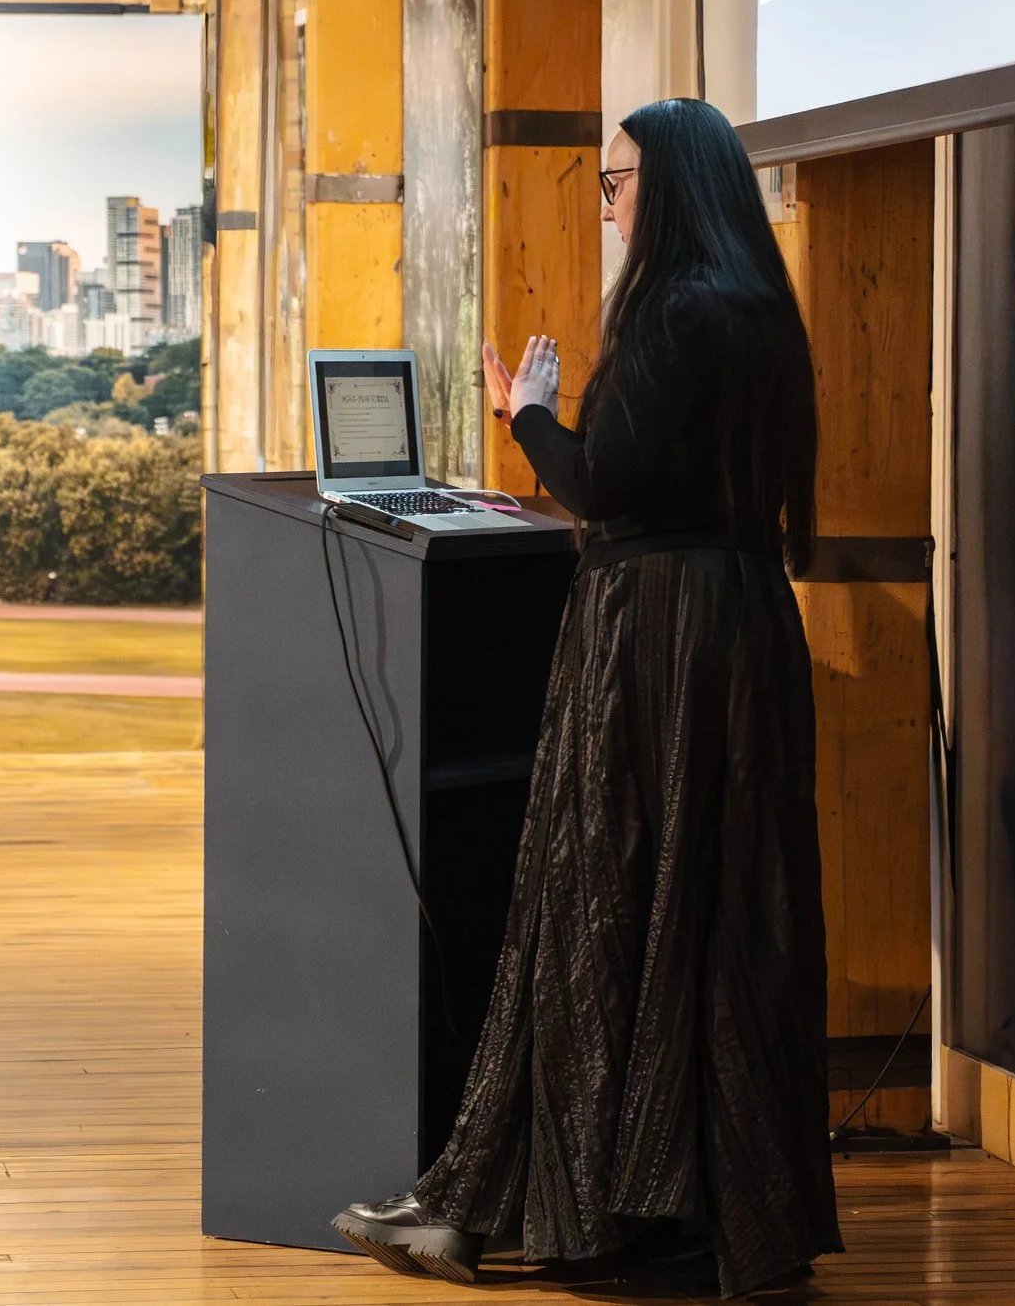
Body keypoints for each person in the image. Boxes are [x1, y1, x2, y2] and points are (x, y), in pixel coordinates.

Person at [331, 98, 840, 1297]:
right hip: (744, 632)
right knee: (716, 918)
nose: (608, 206)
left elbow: (601, 485)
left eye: (614, 184)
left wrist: (531, 418)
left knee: (593, 901)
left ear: (660, 185)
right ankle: (698, 1214)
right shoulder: (764, 311)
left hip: (651, 638)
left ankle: (500, 1203)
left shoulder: (675, 310)